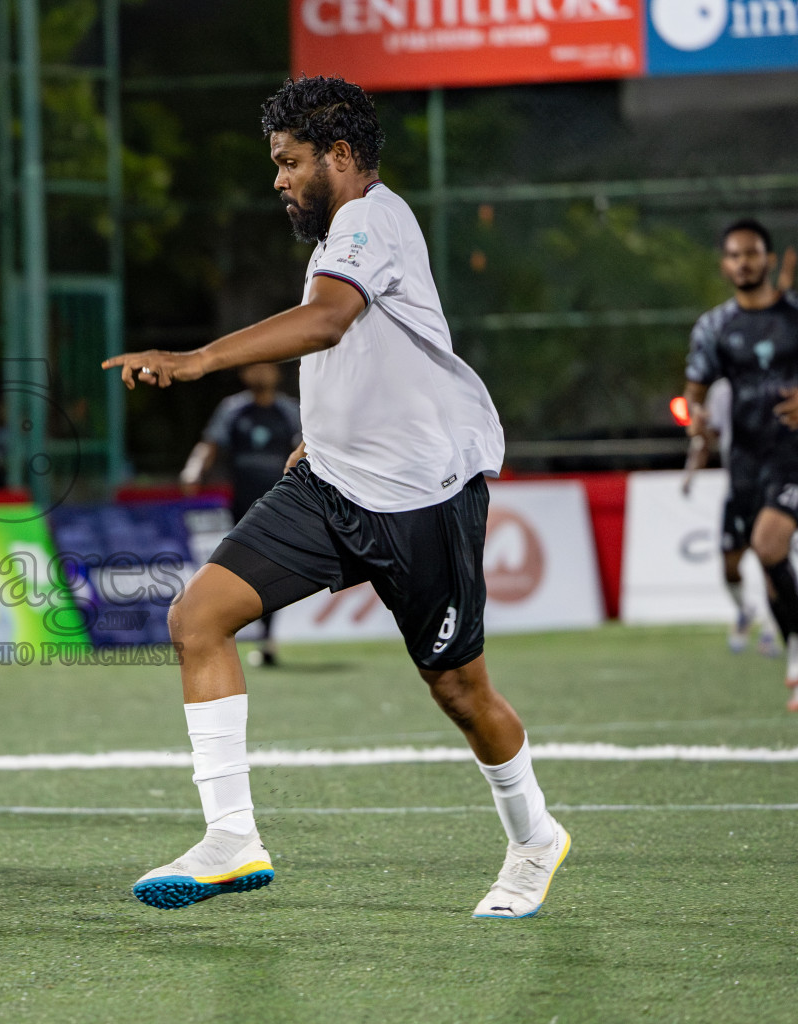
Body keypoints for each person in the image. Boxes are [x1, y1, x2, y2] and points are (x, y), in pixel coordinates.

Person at [103, 76, 568, 918]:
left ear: (342, 158)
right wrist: (315, 435)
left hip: (424, 499)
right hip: (327, 485)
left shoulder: (372, 217)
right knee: (197, 618)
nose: (277, 180)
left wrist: (194, 360)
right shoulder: (336, 237)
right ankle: (232, 838)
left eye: (289, 163)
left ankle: (534, 836)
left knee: (460, 693)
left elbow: (325, 323)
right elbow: (351, 348)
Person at [683, 219, 798, 709]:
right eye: (734, 255)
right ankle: (789, 639)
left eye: (752, 253)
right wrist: (696, 423)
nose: (744, 262)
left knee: (769, 543)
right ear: (724, 264)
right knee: (759, 562)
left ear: (769, 260)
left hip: (792, 454)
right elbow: (694, 393)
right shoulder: (714, 326)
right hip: (745, 462)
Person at [181, 362, 302, 667]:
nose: (258, 374)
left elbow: (306, 449)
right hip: (242, 504)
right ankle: (225, 631)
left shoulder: (290, 411)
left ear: (276, 373)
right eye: (252, 368)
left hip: (281, 504)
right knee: (239, 566)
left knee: (273, 566)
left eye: (265, 368)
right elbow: (209, 443)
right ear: (244, 374)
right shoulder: (232, 409)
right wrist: (194, 469)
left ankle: (267, 638)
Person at [681, 377, 778, 656]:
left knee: (769, 557)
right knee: (730, 566)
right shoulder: (723, 390)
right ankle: (745, 611)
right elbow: (710, 434)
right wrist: (692, 468)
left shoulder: (780, 379)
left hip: (772, 486)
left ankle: (773, 627)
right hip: (738, 488)